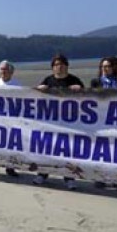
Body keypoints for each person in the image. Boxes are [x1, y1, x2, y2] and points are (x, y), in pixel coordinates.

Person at [35, 54, 83, 189]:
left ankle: (69, 178)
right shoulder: (48, 80)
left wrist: (80, 90)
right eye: (56, 65)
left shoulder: (74, 80)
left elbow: (87, 99)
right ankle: (42, 174)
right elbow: (35, 97)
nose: (59, 67)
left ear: (67, 66)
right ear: (52, 67)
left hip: (69, 123)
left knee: (68, 151)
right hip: (51, 123)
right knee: (47, 150)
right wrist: (39, 89)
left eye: (62, 64)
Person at [89, 57, 117, 190]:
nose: (104, 69)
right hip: (101, 121)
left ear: (115, 67)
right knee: (101, 151)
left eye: (107, 66)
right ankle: (101, 178)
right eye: (102, 66)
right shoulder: (96, 82)